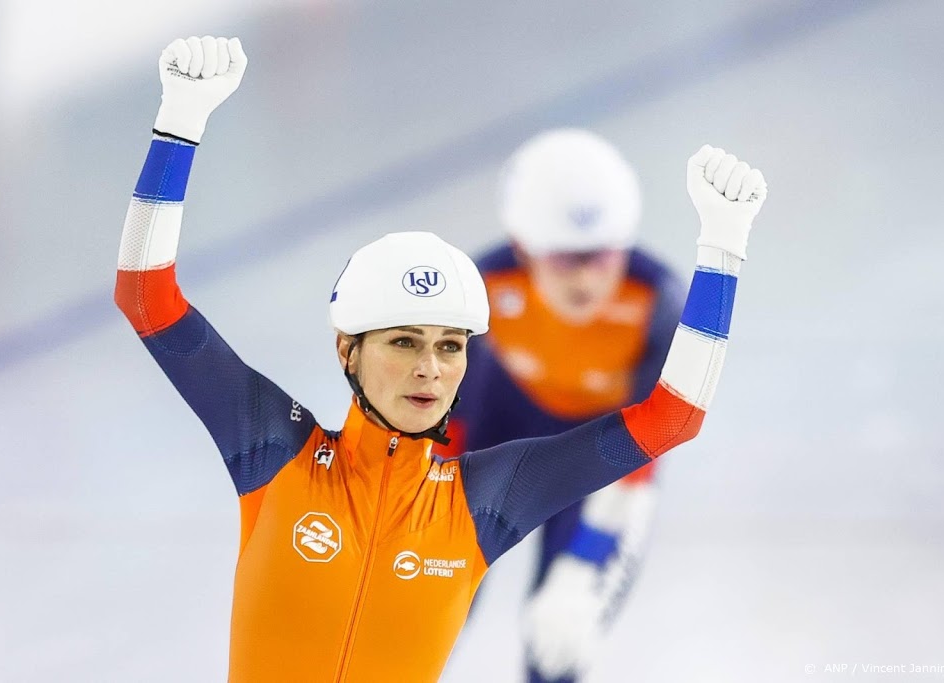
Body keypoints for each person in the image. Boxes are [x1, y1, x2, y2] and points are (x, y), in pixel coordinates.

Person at [113, 35, 768, 683]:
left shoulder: (484, 500)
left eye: (451, 346)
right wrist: (179, 125)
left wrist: (723, 251)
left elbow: (671, 419)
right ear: (348, 348)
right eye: (404, 341)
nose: (431, 367)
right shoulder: (273, 449)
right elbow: (148, 298)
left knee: (560, 641)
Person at [435, 129, 685, 682]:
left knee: (557, 646)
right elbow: (444, 421)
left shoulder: (658, 303)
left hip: (599, 464)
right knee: (429, 620)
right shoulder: (477, 284)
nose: (588, 277)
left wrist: (591, 555)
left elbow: (647, 448)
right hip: (500, 435)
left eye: (602, 257)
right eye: (567, 259)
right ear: (525, 250)